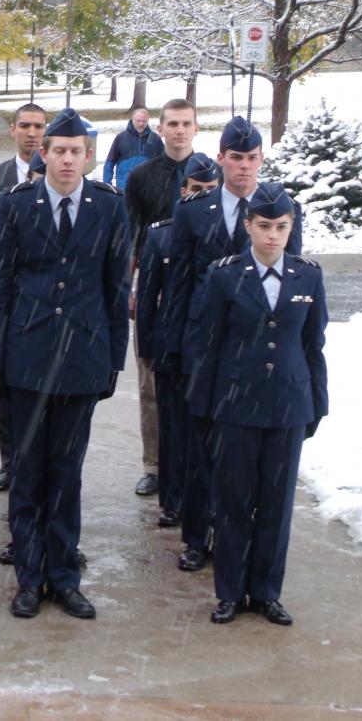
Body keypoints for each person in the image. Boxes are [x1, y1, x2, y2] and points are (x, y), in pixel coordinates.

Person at [0, 108, 131, 620]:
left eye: (76, 151)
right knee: (27, 473)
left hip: (82, 359)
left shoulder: (110, 207)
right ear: (42, 153)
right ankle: (29, 577)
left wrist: (113, 360)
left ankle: (64, 577)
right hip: (27, 357)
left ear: (89, 157)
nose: (67, 159)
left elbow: (116, 288)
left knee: (67, 475)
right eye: (58, 150)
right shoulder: (16, 205)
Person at [163, 116, 303, 574]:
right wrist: (173, 346)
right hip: (203, 348)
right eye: (235, 157)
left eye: (252, 158)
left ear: (262, 160)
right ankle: (196, 536)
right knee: (199, 448)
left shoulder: (279, 214)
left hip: (253, 353)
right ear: (220, 158)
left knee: (246, 459)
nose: (243, 167)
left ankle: (235, 537)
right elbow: (179, 284)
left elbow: (289, 282)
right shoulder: (192, 211)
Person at [189, 183, 327, 625]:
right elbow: (206, 344)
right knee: (233, 501)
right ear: (248, 226)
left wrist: (317, 403)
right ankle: (230, 591)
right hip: (235, 403)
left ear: (292, 228)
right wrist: (203, 406)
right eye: (264, 226)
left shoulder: (308, 275)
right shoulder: (225, 274)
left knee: (276, 504)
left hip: (288, 402)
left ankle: (266, 592)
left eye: (281, 227)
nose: (272, 235)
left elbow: (313, 344)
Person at [134, 153, 220, 528]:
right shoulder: (160, 233)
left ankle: (208, 501)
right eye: (195, 189)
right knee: (172, 427)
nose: (201, 196)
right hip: (171, 344)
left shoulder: (224, 232)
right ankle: (172, 500)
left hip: (209, 344)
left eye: (209, 190)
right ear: (182, 190)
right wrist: (148, 348)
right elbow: (149, 295)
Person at [123, 98, 201, 499]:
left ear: (196, 128)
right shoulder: (142, 176)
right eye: (172, 123)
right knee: (150, 381)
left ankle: (193, 461)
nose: (179, 130)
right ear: (160, 129)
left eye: (186, 123)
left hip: (201, 293)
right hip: (154, 289)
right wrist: (131, 287)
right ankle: (153, 463)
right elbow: (130, 237)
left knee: (196, 381)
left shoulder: (210, 173)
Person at [0, 103, 46, 491]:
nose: (32, 133)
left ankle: (38, 461)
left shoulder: (60, 177)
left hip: (43, 302)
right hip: (5, 298)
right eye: (25, 126)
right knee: (5, 383)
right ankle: (9, 461)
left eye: (38, 126)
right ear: (13, 129)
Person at [103, 107, 163, 189]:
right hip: (124, 188)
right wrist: (107, 186)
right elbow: (109, 163)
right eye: (138, 121)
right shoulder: (121, 138)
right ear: (132, 119)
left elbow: (165, 163)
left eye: (144, 121)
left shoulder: (155, 139)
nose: (141, 124)